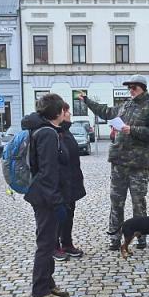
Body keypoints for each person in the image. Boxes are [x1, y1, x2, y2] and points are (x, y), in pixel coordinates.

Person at [78, 76, 149, 251]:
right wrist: (87, 101)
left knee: (138, 201)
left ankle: (140, 238)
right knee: (116, 201)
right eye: (129, 88)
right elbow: (106, 111)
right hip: (119, 161)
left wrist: (132, 130)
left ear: (143, 88)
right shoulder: (126, 105)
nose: (131, 90)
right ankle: (114, 237)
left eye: (134, 88)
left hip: (138, 164)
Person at [21, 93, 70, 297]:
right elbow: (49, 171)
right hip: (46, 197)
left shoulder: (41, 129)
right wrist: (56, 201)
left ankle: (48, 283)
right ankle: (40, 290)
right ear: (58, 112)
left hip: (41, 194)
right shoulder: (47, 134)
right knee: (45, 244)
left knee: (48, 241)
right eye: (63, 110)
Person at [53, 103, 86, 262]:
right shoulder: (54, 132)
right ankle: (54, 246)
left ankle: (66, 243)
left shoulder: (65, 131)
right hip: (60, 184)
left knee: (68, 215)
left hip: (71, 182)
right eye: (66, 111)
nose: (69, 113)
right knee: (58, 216)